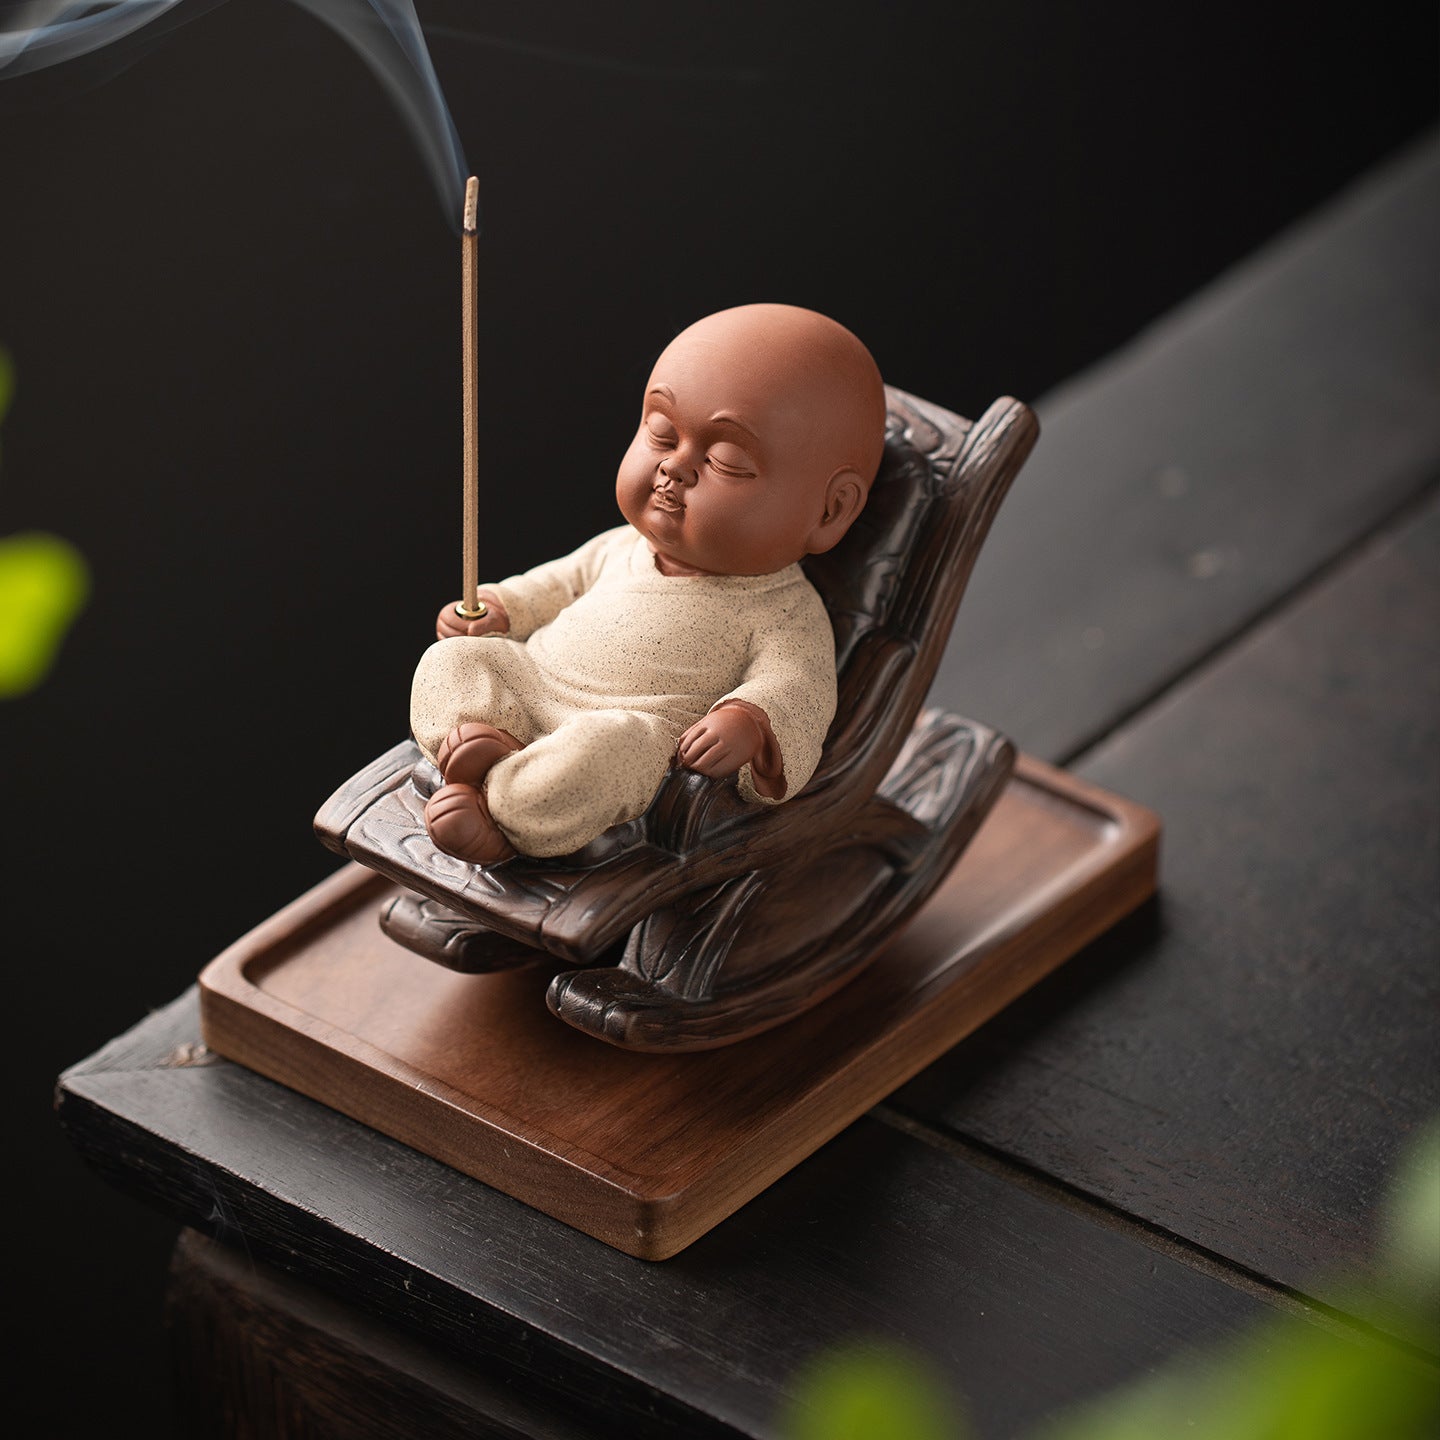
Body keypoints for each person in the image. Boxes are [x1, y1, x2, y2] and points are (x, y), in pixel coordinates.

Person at [409, 302, 887, 863]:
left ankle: (509, 815)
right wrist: (500, 606)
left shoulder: (784, 611)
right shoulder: (621, 546)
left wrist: (749, 722)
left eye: (726, 461)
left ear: (831, 510)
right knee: (454, 661)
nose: (674, 468)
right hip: (534, 683)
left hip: (623, 730)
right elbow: (556, 584)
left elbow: (797, 687)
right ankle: (494, 750)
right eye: (662, 434)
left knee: (612, 752)